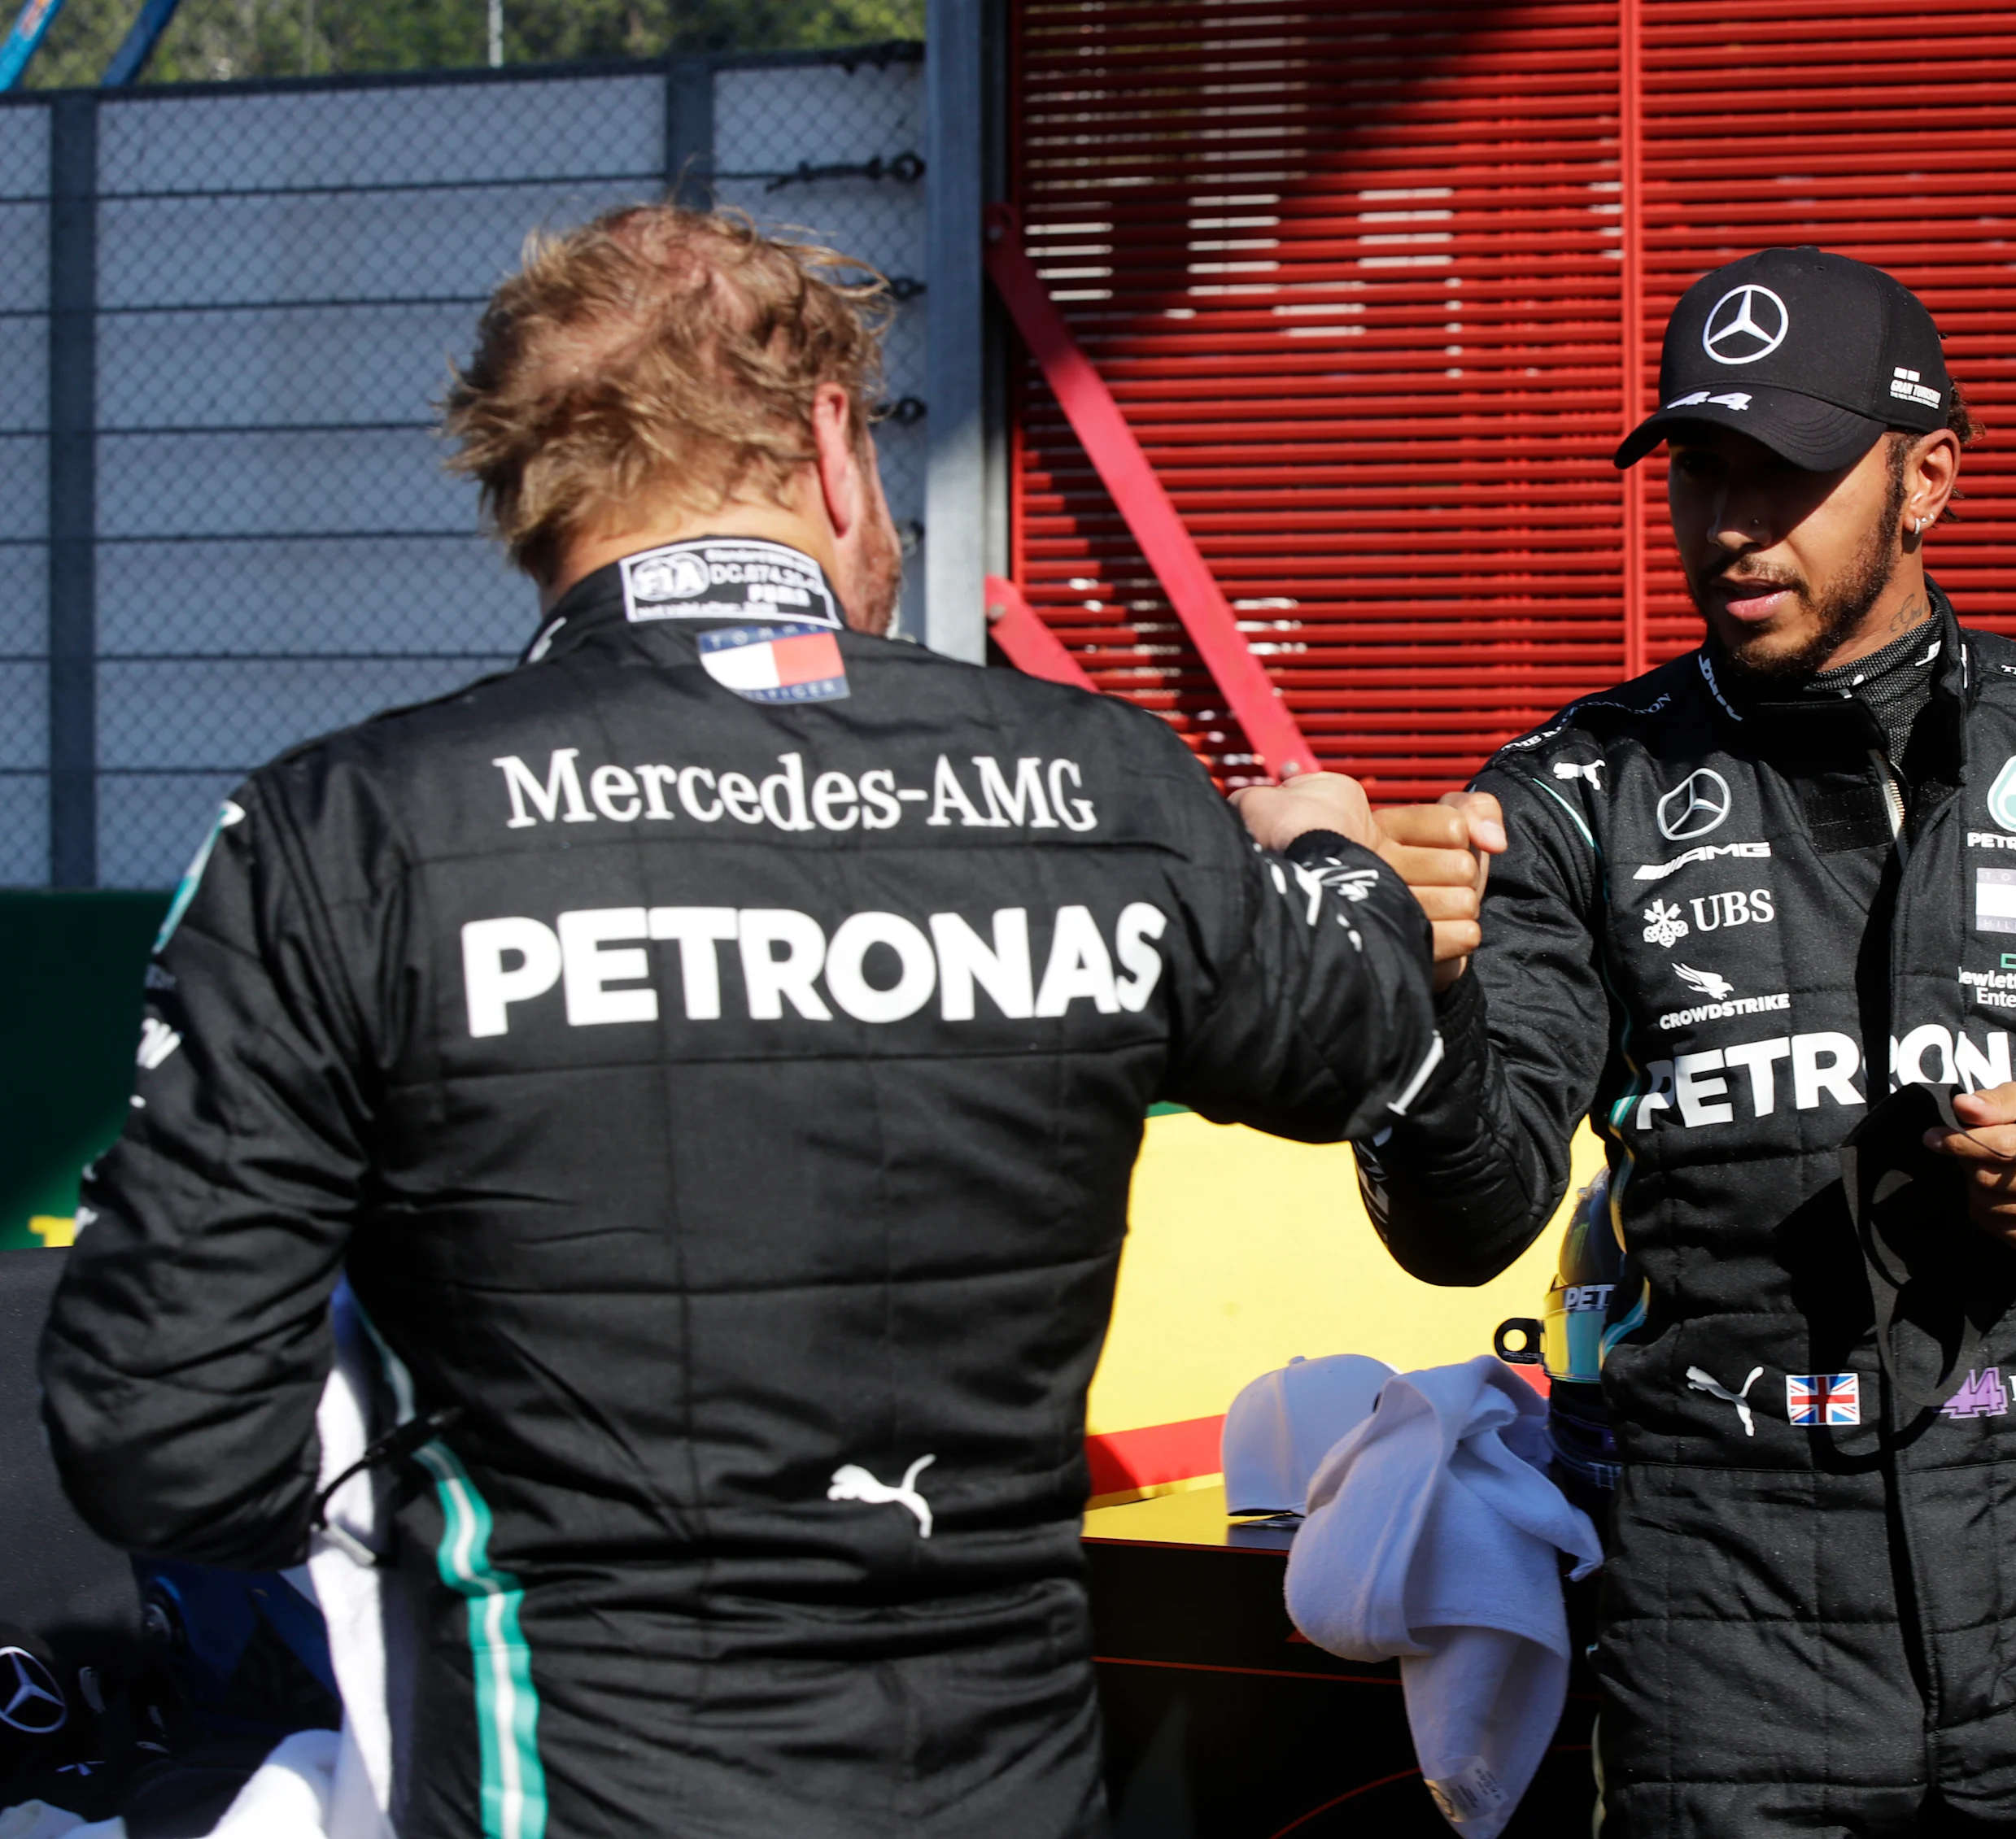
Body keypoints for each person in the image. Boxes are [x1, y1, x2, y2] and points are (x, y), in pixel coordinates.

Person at [37, 205, 1461, 1839]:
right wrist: (1329, 853)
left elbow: (161, 1437)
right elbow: (1358, 1039)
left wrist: (476, 1497)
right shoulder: (1104, 783)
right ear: (836, 445)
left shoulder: (347, 828)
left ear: (522, 499)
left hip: (569, 1779)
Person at [1363, 247, 2016, 1837]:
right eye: (1701, 469)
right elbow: (1462, 1218)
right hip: (1726, 1599)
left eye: (1790, 471)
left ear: (1925, 477)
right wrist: (1409, 1011)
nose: (1733, 523)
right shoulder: (1572, 792)